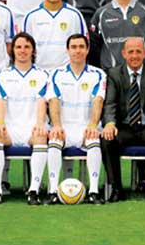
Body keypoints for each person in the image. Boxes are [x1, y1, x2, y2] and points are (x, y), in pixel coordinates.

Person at [101, 38, 145, 202]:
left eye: (138, 51)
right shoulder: (113, 73)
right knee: (107, 139)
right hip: (124, 127)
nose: (134, 56)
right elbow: (110, 103)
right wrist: (110, 124)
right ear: (123, 53)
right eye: (131, 52)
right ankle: (116, 188)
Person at [45, 34, 107, 204]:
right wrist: (57, 126)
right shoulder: (56, 74)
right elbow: (53, 101)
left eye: (81, 47)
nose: (77, 51)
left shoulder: (98, 74)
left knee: (93, 137)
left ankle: (93, 191)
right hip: (65, 126)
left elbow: (98, 101)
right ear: (68, 50)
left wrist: (93, 125)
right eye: (73, 47)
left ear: (87, 50)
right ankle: (52, 191)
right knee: (55, 139)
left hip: (86, 125)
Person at [0, 32, 52, 205]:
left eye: (27, 47)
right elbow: (0, 102)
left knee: (41, 136)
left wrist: (40, 123)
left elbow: (42, 101)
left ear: (33, 50)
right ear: (12, 50)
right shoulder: (1, 75)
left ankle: (33, 190)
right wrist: (0, 123)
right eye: (18, 47)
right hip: (11, 128)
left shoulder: (43, 75)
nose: (22, 50)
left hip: (32, 127)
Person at [22, 0, 88, 71]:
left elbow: (85, 45)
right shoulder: (31, 16)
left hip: (66, 73)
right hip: (39, 71)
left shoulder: (74, 15)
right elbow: (24, 46)